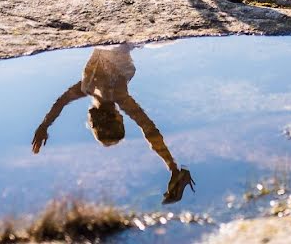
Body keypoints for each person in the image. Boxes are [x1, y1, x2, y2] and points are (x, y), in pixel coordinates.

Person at [31, 44, 195, 204]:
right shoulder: (95, 89)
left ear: (116, 118)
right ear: (96, 122)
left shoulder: (103, 92)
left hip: (116, 43)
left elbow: (149, 130)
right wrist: (44, 126)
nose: (122, 117)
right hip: (113, 43)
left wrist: (172, 166)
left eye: (120, 120)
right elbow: (61, 102)